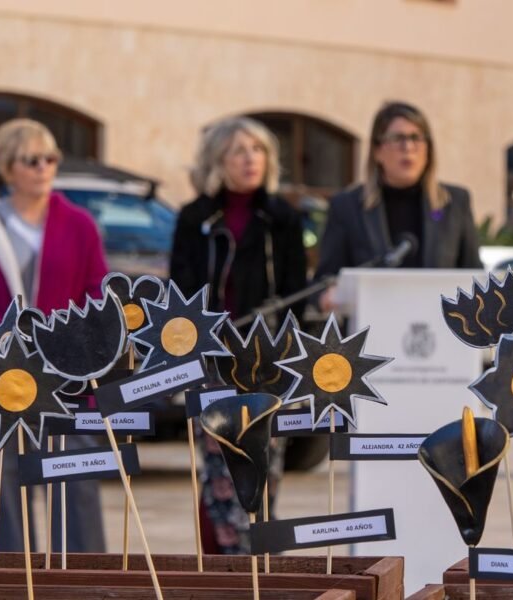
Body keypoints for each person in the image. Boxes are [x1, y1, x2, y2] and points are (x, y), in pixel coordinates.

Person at [169, 116, 307, 554]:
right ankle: (230, 566)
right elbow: (180, 292)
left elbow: (295, 291)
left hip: (268, 364)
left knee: (265, 466)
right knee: (220, 471)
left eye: (259, 149)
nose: (251, 159)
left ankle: (261, 562)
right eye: (239, 150)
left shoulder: (282, 217)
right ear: (218, 161)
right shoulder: (195, 219)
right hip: (211, 362)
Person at [0, 118, 107, 552]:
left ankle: (87, 580)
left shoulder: (80, 224)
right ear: (9, 166)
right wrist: (10, 334)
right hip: (1, 373)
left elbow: (96, 294)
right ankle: (12, 578)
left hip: (67, 372)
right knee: (4, 480)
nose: (44, 168)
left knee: (74, 476)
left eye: (51, 158)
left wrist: (71, 341)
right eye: (32, 160)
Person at [315, 101, 481, 311]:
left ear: (428, 149)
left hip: (439, 330)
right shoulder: (347, 206)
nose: (408, 147)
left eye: (416, 138)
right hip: (371, 333)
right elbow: (324, 281)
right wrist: (328, 295)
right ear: (377, 151)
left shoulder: (455, 202)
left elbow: (473, 274)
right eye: (398, 138)